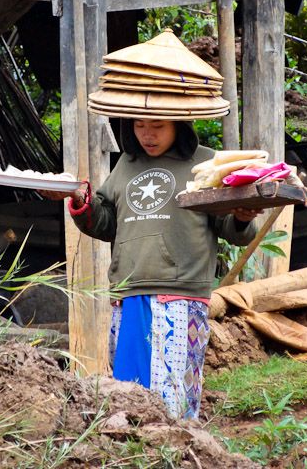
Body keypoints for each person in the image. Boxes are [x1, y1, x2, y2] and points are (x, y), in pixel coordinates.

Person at [42, 118, 260, 420]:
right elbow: (105, 222)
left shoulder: (208, 164)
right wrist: (79, 197)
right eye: (139, 125)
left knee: (173, 404)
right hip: (127, 296)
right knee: (127, 399)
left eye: (157, 125)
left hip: (180, 299)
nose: (147, 134)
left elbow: (232, 227)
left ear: (180, 124)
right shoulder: (126, 166)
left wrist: (243, 215)